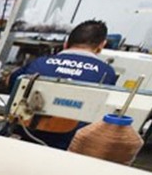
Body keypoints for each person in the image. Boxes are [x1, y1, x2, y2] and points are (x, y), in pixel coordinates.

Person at [8, 19, 118, 149]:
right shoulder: (106, 72)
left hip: (25, 131)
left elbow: (13, 85)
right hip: (70, 142)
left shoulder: (40, 62)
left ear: (66, 44)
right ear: (101, 46)